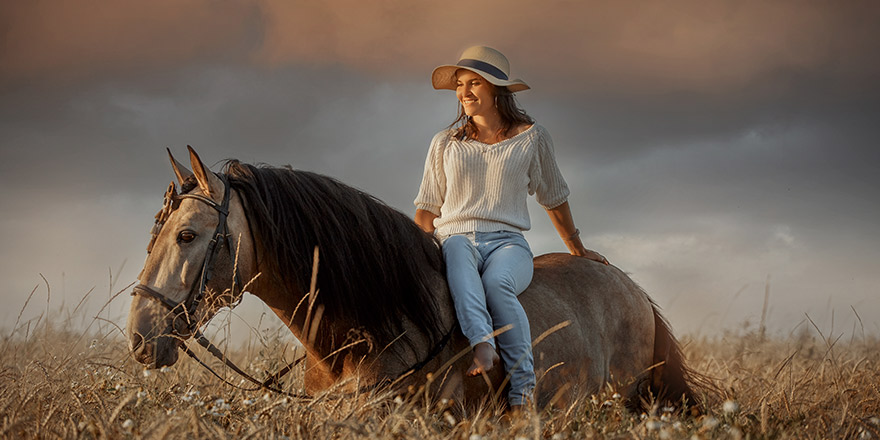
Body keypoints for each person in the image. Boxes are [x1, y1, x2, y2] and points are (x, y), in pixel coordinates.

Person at [413, 46, 609, 408]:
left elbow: (554, 196)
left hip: (507, 243)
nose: (464, 92)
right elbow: (427, 209)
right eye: (460, 85)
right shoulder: (445, 143)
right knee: (458, 260)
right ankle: (483, 346)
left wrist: (577, 248)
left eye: (474, 83)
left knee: (497, 285)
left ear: (497, 90)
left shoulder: (532, 138)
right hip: (455, 236)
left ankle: (522, 390)